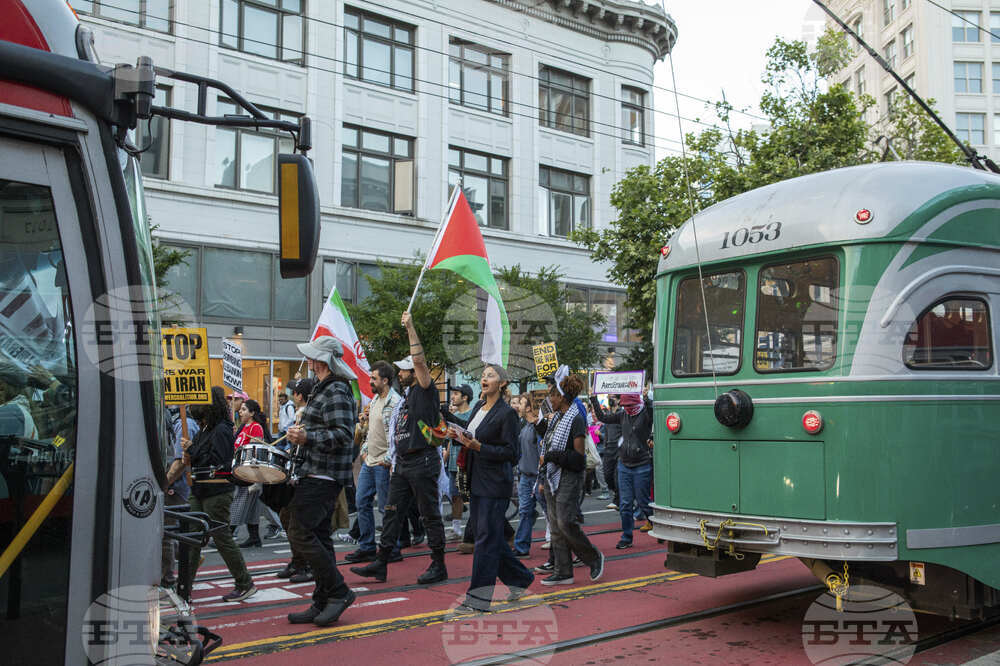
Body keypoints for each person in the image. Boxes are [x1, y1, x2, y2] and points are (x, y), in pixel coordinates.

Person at [350, 311, 448, 585]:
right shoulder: (406, 398)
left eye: (405, 370)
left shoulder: (426, 390)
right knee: (391, 512)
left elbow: (419, 359)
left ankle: (438, 564)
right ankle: (381, 562)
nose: (401, 373)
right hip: (403, 464)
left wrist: (410, 328)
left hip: (422, 461)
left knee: (429, 514)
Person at [285, 336, 358, 627]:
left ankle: (339, 592)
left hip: (324, 475)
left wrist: (307, 436)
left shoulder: (337, 389)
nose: (311, 363)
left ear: (323, 361)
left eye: (314, 358)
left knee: (300, 532)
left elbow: (343, 435)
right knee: (319, 536)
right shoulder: (324, 388)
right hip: (316, 472)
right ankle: (322, 599)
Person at [450, 365, 534, 611]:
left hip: (495, 484)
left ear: (503, 383)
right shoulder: (478, 407)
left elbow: (512, 453)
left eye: (491, 376)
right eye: (483, 375)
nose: (484, 379)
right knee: (490, 538)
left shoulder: (507, 414)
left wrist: (479, 448)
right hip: (476, 479)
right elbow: (469, 433)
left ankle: (478, 598)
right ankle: (520, 578)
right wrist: (448, 424)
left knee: (485, 540)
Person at [181, 386, 256, 602]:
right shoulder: (208, 429)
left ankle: (244, 582)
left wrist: (192, 450)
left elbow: (220, 461)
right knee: (194, 537)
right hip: (201, 489)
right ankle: (185, 585)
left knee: (221, 536)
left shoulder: (222, 429)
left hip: (216, 490)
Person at [530, 368, 604, 585]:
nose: (548, 399)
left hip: (569, 477)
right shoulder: (557, 419)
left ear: (560, 396)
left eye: (551, 394)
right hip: (553, 476)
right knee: (554, 525)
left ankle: (593, 556)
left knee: (565, 523)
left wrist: (552, 456)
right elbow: (549, 440)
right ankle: (563, 571)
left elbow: (578, 458)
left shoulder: (576, 419)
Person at [345, 361, 401, 563]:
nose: (370, 381)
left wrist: (387, 459)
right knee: (362, 502)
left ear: (385, 380)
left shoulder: (396, 402)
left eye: (373, 378)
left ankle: (392, 548)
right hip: (370, 462)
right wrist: (365, 451)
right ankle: (367, 546)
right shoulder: (375, 400)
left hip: (384, 464)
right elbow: (371, 431)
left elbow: (397, 435)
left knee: (386, 508)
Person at [590, 390, 653, 549]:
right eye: (624, 405)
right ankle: (627, 536)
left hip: (642, 465)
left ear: (637, 403)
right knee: (625, 504)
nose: (627, 408)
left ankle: (656, 523)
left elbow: (651, 408)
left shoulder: (646, 413)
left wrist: (647, 397)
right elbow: (603, 418)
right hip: (624, 464)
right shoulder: (622, 415)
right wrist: (594, 399)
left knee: (643, 502)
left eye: (630, 405)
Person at [275, 377, 315, 583]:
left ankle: (306, 565)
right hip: (296, 471)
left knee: (298, 524)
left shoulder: (308, 414)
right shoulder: (300, 413)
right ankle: (298, 561)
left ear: (299, 395)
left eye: (295, 392)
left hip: (305, 475)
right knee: (286, 517)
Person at [161, 406, 198, 588]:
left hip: (176, 487)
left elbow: (180, 461)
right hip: (175, 486)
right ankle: (190, 556)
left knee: (166, 534)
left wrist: (164, 484)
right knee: (171, 533)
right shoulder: (177, 424)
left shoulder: (184, 425)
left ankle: (167, 578)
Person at [230, 399, 271, 548]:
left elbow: (256, 451)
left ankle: (227, 535)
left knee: (238, 504)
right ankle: (254, 537)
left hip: (249, 473)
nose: (240, 412)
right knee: (252, 508)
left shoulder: (256, 428)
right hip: (241, 471)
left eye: (244, 409)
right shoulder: (243, 427)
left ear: (252, 413)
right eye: (240, 409)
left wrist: (252, 476)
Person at [512, 395, 543, 558]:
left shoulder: (538, 427)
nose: (519, 407)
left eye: (522, 404)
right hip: (525, 476)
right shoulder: (522, 426)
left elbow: (542, 454)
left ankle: (565, 548)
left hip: (538, 477)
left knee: (552, 513)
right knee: (524, 511)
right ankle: (522, 547)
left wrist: (542, 479)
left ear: (529, 408)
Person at [443, 383, 474, 540]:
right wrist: (446, 459)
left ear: (465, 397)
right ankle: (456, 529)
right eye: (453, 393)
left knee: (469, 496)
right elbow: (449, 441)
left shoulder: (472, 415)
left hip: (466, 463)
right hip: (453, 462)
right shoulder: (452, 417)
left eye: (456, 394)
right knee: (454, 496)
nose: (453, 397)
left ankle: (474, 528)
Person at [599, 396, 622, 510]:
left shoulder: (622, 413)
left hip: (619, 450)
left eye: (612, 397)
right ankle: (619, 494)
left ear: (618, 400)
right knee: (607, 476)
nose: (610, 399)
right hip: (608, 449)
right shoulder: (607, 414)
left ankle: (618, 499)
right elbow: (607, 431)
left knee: (617, 476)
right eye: (609, 397)